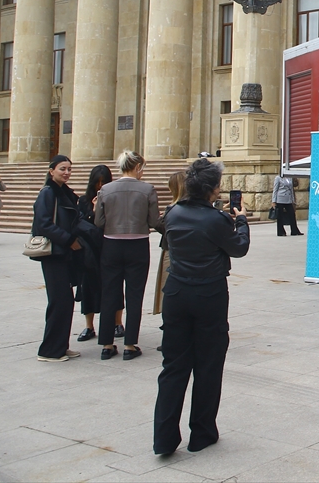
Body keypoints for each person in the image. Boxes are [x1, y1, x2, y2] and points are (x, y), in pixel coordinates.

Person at [153, 157, 250, 456]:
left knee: (173, 367)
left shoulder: (172, 214)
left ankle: (164, 438)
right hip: (208, 294)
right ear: (210, 189)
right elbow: (239, 248)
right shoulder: (216, 219)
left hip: (177, 292)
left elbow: (167, 239)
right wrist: (242, 220)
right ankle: (202, 431)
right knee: (208, 364)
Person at [95, 150, 161, 360]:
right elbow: (153, 221)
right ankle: (130, 344)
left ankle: (106, 343)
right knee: (135, 295)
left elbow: (98, 222)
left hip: (111, 245)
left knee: (109, 294)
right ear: (137, 167)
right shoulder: (147, 189)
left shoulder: (106, 189)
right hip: (138, 245)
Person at [31, 155, 84, 362]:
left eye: (69, 169)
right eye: (62, 168)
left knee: (65, 301)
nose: (67, 172)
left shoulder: (65, 192)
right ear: (51, 170)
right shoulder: (47, 192)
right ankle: (49, 350)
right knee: (59, 301)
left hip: (65, 254)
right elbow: (43, 224)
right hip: (53, 253)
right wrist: (69, 240)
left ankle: (60, 346)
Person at [75, 165, 118, 343]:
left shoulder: (113, 198)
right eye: (98, 183)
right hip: (89, 250)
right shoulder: (84, 200)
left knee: (113, 285)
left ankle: (117, 322)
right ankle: (89, 326)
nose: (100, 186)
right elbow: (80, 222)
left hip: (108, 246)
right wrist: (93, 212)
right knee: (88, 287)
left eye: (104, 182)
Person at [152, 170, 185, 321]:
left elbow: (160, 226)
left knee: (168, 291)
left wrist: (160, 219)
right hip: (183, 253)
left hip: (170, 252)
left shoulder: (173, 209)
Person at [271, 172, 302, 237]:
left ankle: (294, 231)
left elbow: (291, 190)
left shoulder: (290, 178)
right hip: (280, 198)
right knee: (280, 216)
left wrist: (293, 200)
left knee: (292, 214)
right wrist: (274, 201)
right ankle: (281, 232)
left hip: (288, 199)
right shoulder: (278, 178)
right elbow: (275, 190)